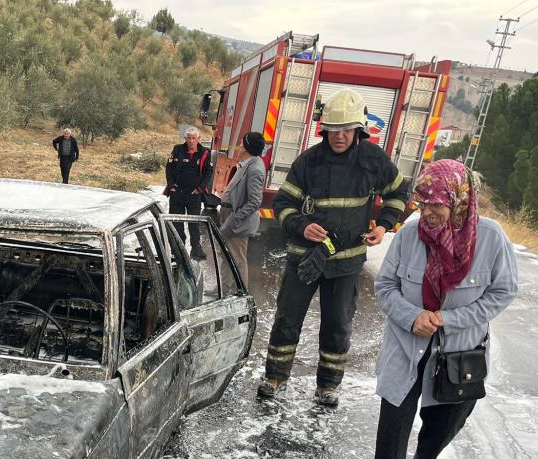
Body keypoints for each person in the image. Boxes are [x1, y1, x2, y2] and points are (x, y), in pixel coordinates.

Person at [370, 160, 518, 459]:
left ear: (461, 200)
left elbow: (503, 291)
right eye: (423, 203)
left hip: (459, 348)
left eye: (437, 204)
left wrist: (448, 320)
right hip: (408, 344)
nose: (428, 212)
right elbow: (385, 286)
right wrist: (412, 316)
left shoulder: (491, 238)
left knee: (450, 416)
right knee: (395, 416)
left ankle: (425, 457)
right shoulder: (408, 235)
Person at [259, 88, 411, 407]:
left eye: (345, 130)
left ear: (358, 130)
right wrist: (301, 225)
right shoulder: (308, 162)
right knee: (288, 318)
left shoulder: (374, 161)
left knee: (337, 324)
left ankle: (328, 385)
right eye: (332, 130)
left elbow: (399, 194)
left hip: (346, 262)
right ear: (323, 130)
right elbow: (283, 204)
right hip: (305, 258)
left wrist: (384, 225)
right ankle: (275, 376)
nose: (338, 137)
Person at [219, 132, 267, 290]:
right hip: (230, 215)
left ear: (246, 147)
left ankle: (242, 294)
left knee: (238, 259)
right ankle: (224, 288)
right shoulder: (247, 163)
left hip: (237, 221)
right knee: (226, 254)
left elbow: (255, 201)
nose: (239, 146)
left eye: (241, 143)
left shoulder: (255, 169)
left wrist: (235, 218)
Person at [165, 126, 213, 260]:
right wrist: (171, 186)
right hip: (177, 194)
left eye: (194, 138)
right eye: (189, 138)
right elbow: (168, 168)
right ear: (185, 139)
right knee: (176, 223)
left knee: (194, 223)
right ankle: (178, 250)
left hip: (194, 195)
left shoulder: (205, 153)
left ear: (198, 139)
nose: (191, 141)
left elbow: (208, 173)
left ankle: (196, 250)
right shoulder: (177, 149)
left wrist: (200, 189)